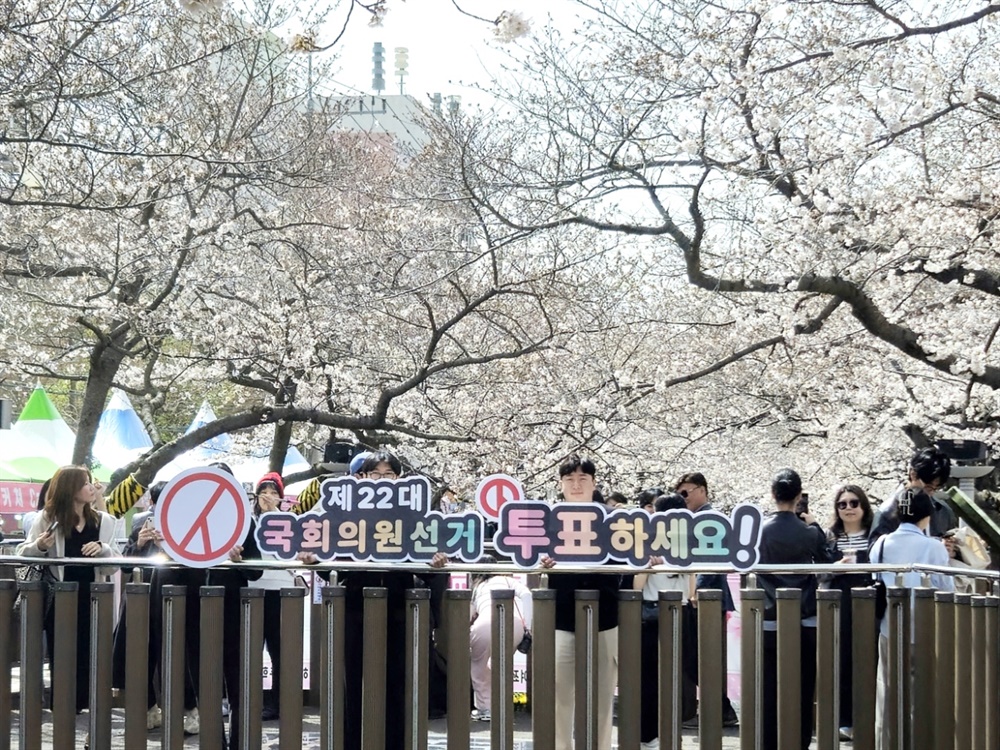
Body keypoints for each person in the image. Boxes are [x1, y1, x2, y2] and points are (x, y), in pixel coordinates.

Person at [336, 451, 448, 750]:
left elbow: (427, 570)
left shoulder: (412, 517)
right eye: (375, 475)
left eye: (389, 475)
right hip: (356, 610)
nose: (382, 481)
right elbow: (330, 566)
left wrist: (435, 564)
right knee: (355, 685)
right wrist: (313, 561)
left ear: (399, 480)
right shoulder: (347, 515)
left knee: (398, 685)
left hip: (400, 612)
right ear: (362, 478)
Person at [16, 465, 122, 714]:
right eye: (85, 483)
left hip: (94, 596)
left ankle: (89, 705)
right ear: (70, 488)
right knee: (61, 653)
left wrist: (103, 549)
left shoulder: (103, 521)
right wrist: (40, 546)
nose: (91, 488)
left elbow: (116, 561)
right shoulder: (47, 518)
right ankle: (64, 707)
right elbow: (23, 553)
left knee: (93, 653)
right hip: (60, 597)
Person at [541, 455, 624, 750]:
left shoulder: (613, 520)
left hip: (606, 616)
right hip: (562, 618)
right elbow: (533, 559)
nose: (576, 485)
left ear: (594, 483)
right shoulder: (548, 520)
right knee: (558, 696)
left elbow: (630, 556)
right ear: (561, 484)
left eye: (583, 479)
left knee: (603, 699)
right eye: (569, 480)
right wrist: (544, 563)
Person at [869, 488, 953, 750]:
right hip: (926, 629)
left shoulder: (880, 544)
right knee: (923, 694)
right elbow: (946, 589)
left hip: (889, 627)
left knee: (888, 691)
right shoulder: (934, 548)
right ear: (926, 516)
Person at [758, 468, 833, 750]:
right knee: (802, 688)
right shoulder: (809, 533)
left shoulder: (760, 531)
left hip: (769, 617)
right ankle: (799, 742)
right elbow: (828, 561)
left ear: (773, 494)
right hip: (805, 618)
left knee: (769, 687)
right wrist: (816, 526)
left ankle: (768, 742)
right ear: (799, 496)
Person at [673, 472, 739, 727]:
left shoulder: (709, 519)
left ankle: (720, 710)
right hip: (703, 597)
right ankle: (720, 709)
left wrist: (695, 591)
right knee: (699, 656)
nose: (683, 498)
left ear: (702, 490)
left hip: (706, 599)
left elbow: (712, 561)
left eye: (686, 492)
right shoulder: (695, 518)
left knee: (701, 656)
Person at [634, 493, 693, 750]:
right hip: (652, 616)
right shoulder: (647, 545)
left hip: (674, 613)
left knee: (669, 677)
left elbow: (691, 590)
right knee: (650, 678)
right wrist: (649, 567)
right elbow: (637, 585)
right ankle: (649, 736)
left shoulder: (686, 549)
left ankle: (665, 733)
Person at [823, 484, 875, 742]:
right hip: (840, 600)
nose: (848, 508)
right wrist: (835, 567)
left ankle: (870, 717)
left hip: (871, 600)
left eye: (854, 503)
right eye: (842, 504)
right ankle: (845, 720)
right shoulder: (830, 537)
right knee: (843, 659)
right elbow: (819, 573)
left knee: (870, 657)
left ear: (863, 505)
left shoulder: (876, 535)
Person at [250, 472, 297, 722]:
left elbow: (287, 554)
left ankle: (278, 702)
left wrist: (272, 516)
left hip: (280, 590)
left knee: (279, 650)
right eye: (264, 491)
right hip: (254, 588)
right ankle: (251, 699)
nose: (268, 496)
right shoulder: (247, 520)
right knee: (251, 649)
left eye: (273, 492)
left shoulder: (288, 520)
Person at [468, 555, 532, 721]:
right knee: (501, 665)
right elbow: (526, 595)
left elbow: (469, 614)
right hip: (514, 623)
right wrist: (529, 626)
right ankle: (502, 705)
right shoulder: (506, 579)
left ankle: (485, 708)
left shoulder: (477, 586)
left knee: (479, 666)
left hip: (484, 623)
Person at [869, 447, 957, 545]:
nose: (931, 493)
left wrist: (953, 550)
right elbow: (875, 552)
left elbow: (956, 547)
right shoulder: (888, 511)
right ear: (913, 474)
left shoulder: (943, 512)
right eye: (928, 487)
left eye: (936, 489)